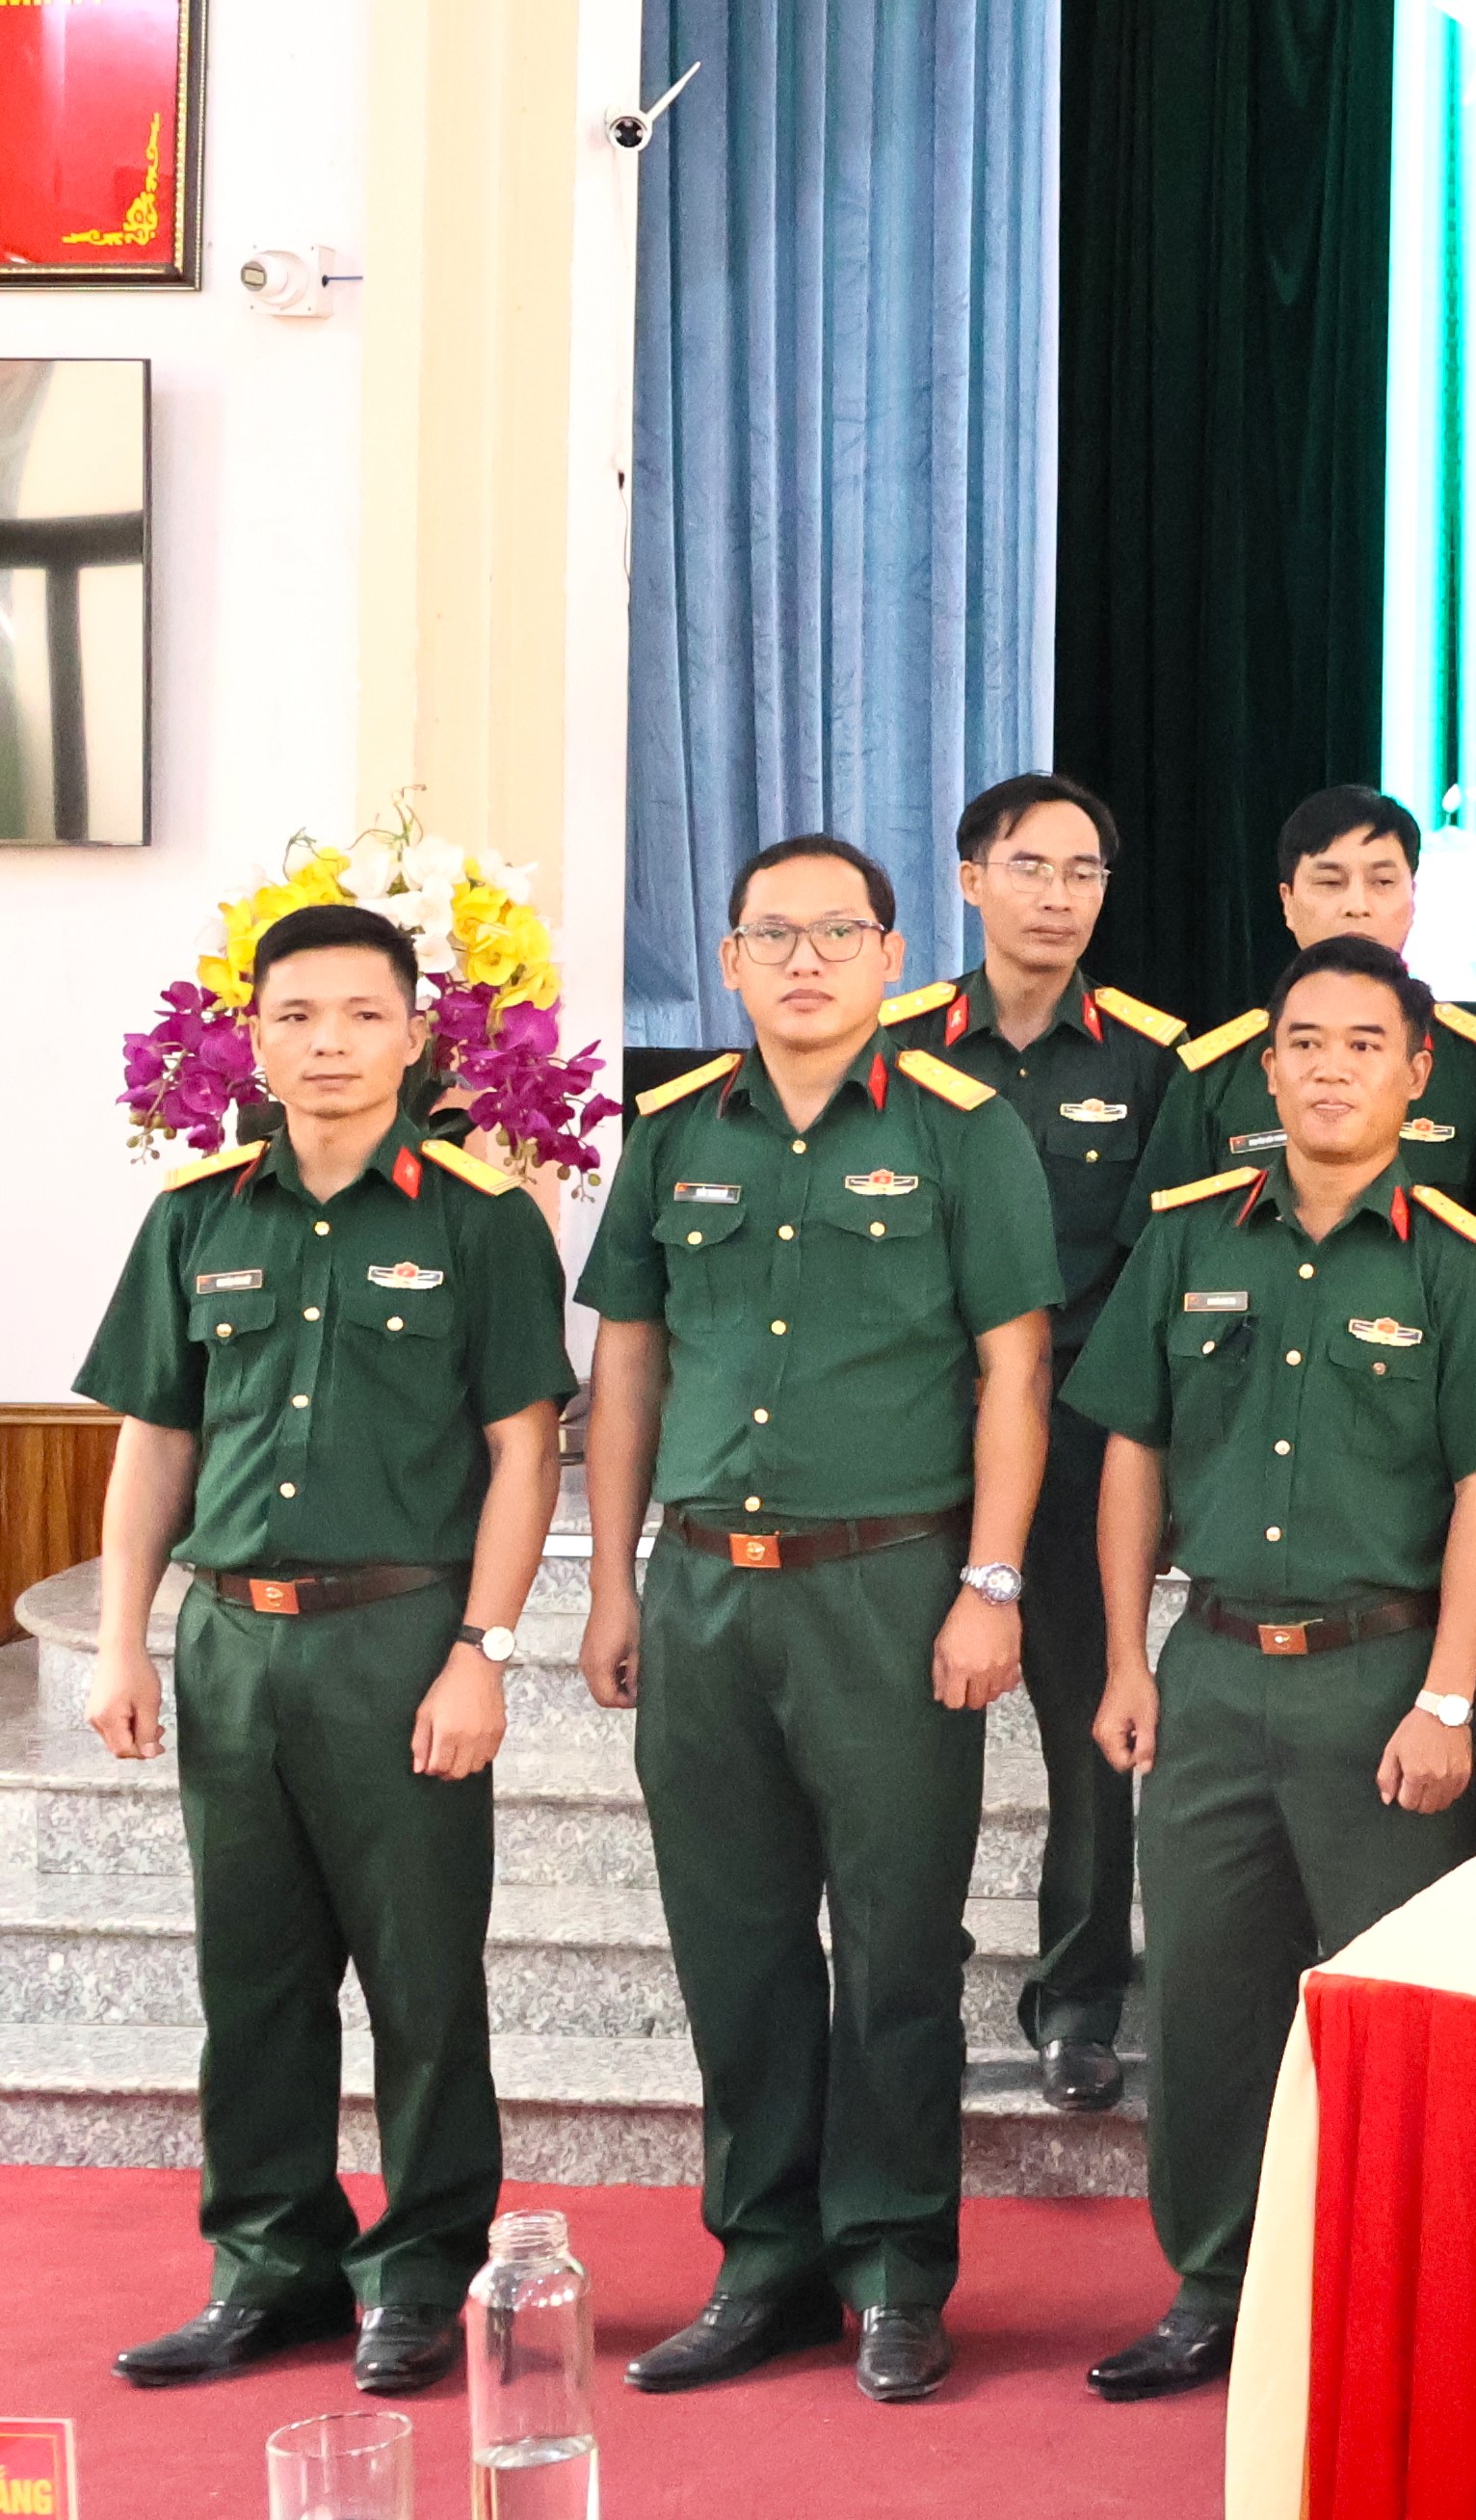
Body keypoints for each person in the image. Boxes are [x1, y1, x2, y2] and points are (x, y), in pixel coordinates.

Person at [576, 835, 1060, 2403]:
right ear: (726, 962)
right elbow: (628, 1366)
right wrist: (614, 1578)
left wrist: (991, 1580)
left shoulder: (961, 1131)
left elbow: (1014, 1370)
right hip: (705, 1589)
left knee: (899, 1949)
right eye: (771, 935)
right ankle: (765, 2264)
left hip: (889, 1589)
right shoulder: (670, 1136)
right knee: (734, 1945)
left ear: (891, 954)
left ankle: (897, 2268)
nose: (803, 960)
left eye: (836, 933)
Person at [79, 905, 572, 2397]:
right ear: (255, 1038)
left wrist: (483, 1649)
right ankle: (269, 2266)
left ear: (415, 1037)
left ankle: (418, 2271)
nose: (330, 1044)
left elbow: (525, 1449)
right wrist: (121, 1644)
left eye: (363, 1015)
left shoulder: (481, 1217)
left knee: (421, 1987)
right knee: (253, 1983)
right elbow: (156, 1445)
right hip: (233, 1645)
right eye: (297, 1016)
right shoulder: (197, 1216)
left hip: (400, 1639)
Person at [1060, 937, 1476, 2401]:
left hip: (1378, 1683)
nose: (1332, 1068)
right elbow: (1132, 1452)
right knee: (1204, 2002)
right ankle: (1214, 2284)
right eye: (1306, 1043)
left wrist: (1451, 1695)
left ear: (1416, 1074)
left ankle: (1402, 2302)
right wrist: (1127, 1658)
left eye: (1363, 1044)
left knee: (1398, 2012)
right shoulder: (1189, 1238)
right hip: (1208, 1674)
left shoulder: (1460, 1261)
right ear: (1266, 1071)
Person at [883, 772, 1183, 2114]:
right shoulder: (894, 1048)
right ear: (970, 880)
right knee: (902, 1743)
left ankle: (1080, 2003)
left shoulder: (1150, 1060)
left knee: (1090, 1733)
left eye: (1083, 873)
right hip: (908, 1442)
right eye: (1030, 867)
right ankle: (908, 1989)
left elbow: (1157, 1270)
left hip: (1075, 1443)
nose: (1058, 897)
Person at [1139, 786, 1476, 1271]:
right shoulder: (1213, 1074)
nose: (1357, 905)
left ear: (1413, 899)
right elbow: (1160, 1257)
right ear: (1287, 902)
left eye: (1382, 882)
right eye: (1330, 882)